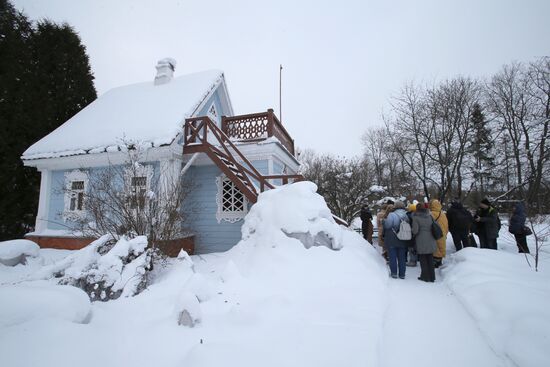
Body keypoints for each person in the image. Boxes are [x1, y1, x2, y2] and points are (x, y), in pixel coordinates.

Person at [383, 201, 410, 279]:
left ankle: (394, 273)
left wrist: (384, 222)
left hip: (392, 238)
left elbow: (388, 226)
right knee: (402, 257)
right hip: (403, 237)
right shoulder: (406, 215)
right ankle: (402, 274)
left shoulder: (392, 215)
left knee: (392, 256)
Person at [412, 203, 437, 282]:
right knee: (430, 257)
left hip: (421, 240)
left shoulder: (415, 217)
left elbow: (415, 230)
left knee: (423, 259)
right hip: (431, 238)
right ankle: (432, 277)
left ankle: (425, 276)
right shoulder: (430, 216)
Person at [430, 199, 448, 268]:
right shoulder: (443, 214)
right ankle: (439, 261)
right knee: (441, 247)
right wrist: (445, 233)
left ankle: (435, 263)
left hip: (435, 233)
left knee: (436, 248)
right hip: (442, 234)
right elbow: (446, 225)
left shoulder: (431, 214)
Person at [406, 202, 418, 267]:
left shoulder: (408, 215)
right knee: (416, 247)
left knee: (411, 247)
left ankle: (412, 261)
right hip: (417, 233)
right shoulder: (418, 214)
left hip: (410, 232)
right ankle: (416, 259)